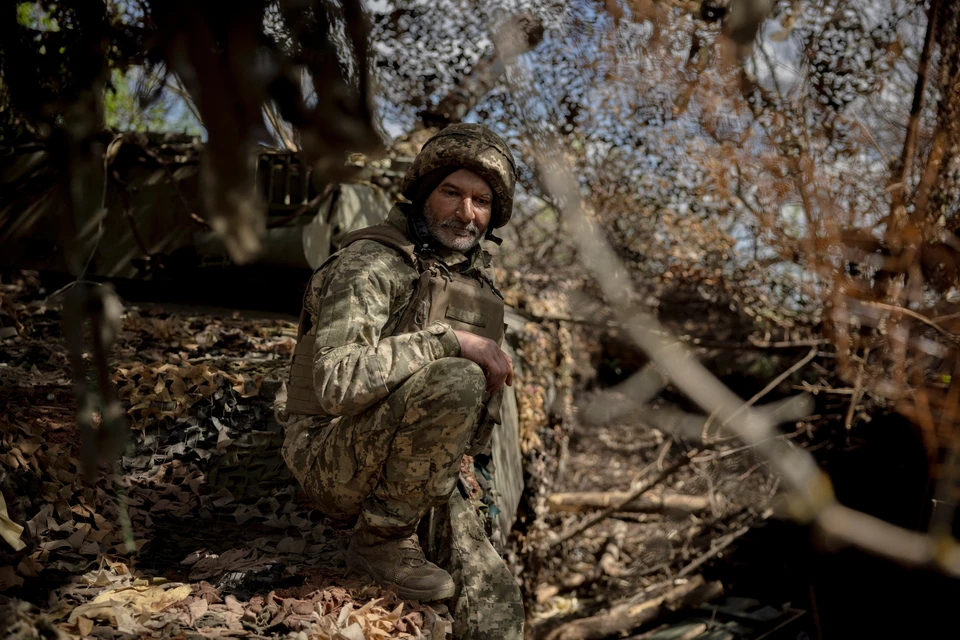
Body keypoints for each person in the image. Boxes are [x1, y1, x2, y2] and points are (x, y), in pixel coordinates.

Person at [280, 123, 519, 606]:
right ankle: (380, 542)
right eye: (451, 192)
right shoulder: (371, 263)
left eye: (481, 201)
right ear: (423, 194)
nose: (466, 213)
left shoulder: (476, 288)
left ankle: (400, 523)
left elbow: (472, 428)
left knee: (495, 604)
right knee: (457, 375)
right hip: (330, 458)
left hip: (417, 464)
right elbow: (336, 385)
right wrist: (449, 341)